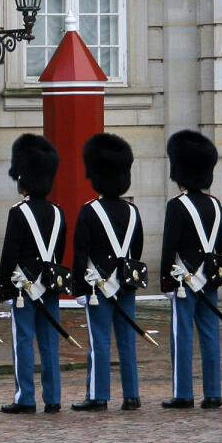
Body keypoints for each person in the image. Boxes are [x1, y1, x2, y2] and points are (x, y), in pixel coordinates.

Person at [70, 133, 145, 412]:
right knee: (127, 342)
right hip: (125, 285)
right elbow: (137, 248)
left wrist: (79, 287)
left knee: (99, 341)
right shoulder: (133, 211)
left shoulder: (89, 211)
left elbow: (81, 253)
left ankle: (98, 395)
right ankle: (131, 395)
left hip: (97, 287)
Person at [0, 134, 67, 415]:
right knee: (50, 343)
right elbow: (59, 251)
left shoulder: (18, 212)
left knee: (23, 342)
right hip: (49, 285)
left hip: (24, 287)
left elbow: (10, 252)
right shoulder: (58, 212)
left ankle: (25, 397)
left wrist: (4, 285)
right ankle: (53, 397)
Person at [158, 130, 222, 410]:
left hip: (184, 281)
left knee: (182, 336)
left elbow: (169, 246)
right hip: (209, 279)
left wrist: (166, 279)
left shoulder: (177, 205)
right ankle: (213, 393)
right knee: (210, 336)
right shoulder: (216, 204)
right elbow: (220, 244)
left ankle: (183, 393)